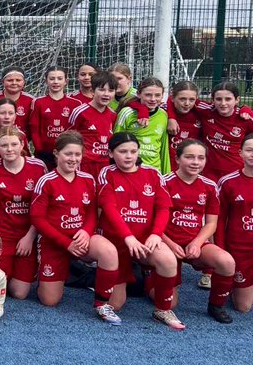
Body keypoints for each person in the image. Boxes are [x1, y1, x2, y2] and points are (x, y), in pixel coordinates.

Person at [29, 131, 124, 323]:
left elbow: (91, 212)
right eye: (68, 154)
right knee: (50, 300)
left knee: (108, 251)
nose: (73, 159)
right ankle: (67, 273)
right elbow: (37, 218)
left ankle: (101, 304)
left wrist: (86, 231)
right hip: (55, 242)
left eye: (77, 154)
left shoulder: (88, 179)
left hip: (82, 239)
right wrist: (66, 243)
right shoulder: (46, 181)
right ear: (56, 154)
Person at [97, 132, 183, 329]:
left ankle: (162, 310)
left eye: (133, 151)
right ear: (111, 153)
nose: (128, 156)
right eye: (122, 151)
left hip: (144, 240)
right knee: (116, 304)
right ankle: (96, 276)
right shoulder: (107, 173)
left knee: (168, 260)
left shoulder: (153, 174)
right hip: (116, 241)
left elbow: (163, 208)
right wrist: (128, 237)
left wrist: (155, 234)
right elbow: (109, 209)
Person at [162, 139, 236, 322]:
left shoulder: (210, 186)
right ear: (178, 159)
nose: (196, 162)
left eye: (200, 158)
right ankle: (150, 275)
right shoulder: (164, 183)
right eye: (189, 157)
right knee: (169, 304)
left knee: (226, 262)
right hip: (166, 243)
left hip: (195, 242)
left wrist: (196, 242)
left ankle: (215, 306)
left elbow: (211, 222)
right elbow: (153, 223)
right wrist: (169, 244)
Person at [0, 127, 46, 300]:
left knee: (19, 293)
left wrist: (30, 237)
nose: (9, 149)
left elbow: (42, 209)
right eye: (4, 145)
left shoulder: (38, 168)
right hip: (3, 234)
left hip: (27, 234)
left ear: (22, 144)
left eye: (14, 144)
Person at [216, 132, 253, 314]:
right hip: (240, 249)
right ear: (240, 153)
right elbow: (220, 219)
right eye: (249, 150)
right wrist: (222, 248)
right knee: (243, 307)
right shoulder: (228, 182)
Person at [196, 82, 253, 181]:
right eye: (218, 99)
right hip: (209, 172)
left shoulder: (245, 118)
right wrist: (172, 118)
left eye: (228, 99)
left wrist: (247, 109)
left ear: (237, 100)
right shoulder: (206, 111)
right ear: (212, 100)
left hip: (236, 172)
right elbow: (175, 97)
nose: (223, 103)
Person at [114, 77, 171, 174]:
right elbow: (115, 143)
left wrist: (166, 174)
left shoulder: (163, 115)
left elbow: (164, 148)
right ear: (138, 94)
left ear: (162, 96)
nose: (153, 99)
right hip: (130, 170)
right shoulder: (127, 113)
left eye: (157, 95)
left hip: (155, 171)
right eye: (148, 95)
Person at [69, 70, 118, 179]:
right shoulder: (80, 112)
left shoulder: (113, 115)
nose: (106, 94)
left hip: (105, 164)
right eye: (101, 90)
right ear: (92, 91)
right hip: (84, 164)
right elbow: (68, 138)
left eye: (111, 90)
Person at [31, 66, 73, 169]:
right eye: (52, 78)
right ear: (46, 81)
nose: (55, 81)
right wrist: (39, 149)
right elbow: (34, 129)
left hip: (67, 152)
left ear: (66, 81)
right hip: (44, 153)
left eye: (59, 78)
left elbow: (77, 130)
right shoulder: (38, 102)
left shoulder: (75, 103)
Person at [0, 68, 34, 136]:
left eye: (18, 80)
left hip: (20, 142)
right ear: (3, 81)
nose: (14, 83)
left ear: (24, 82)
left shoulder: (31, 100)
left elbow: (33, 125)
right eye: (10, 80)